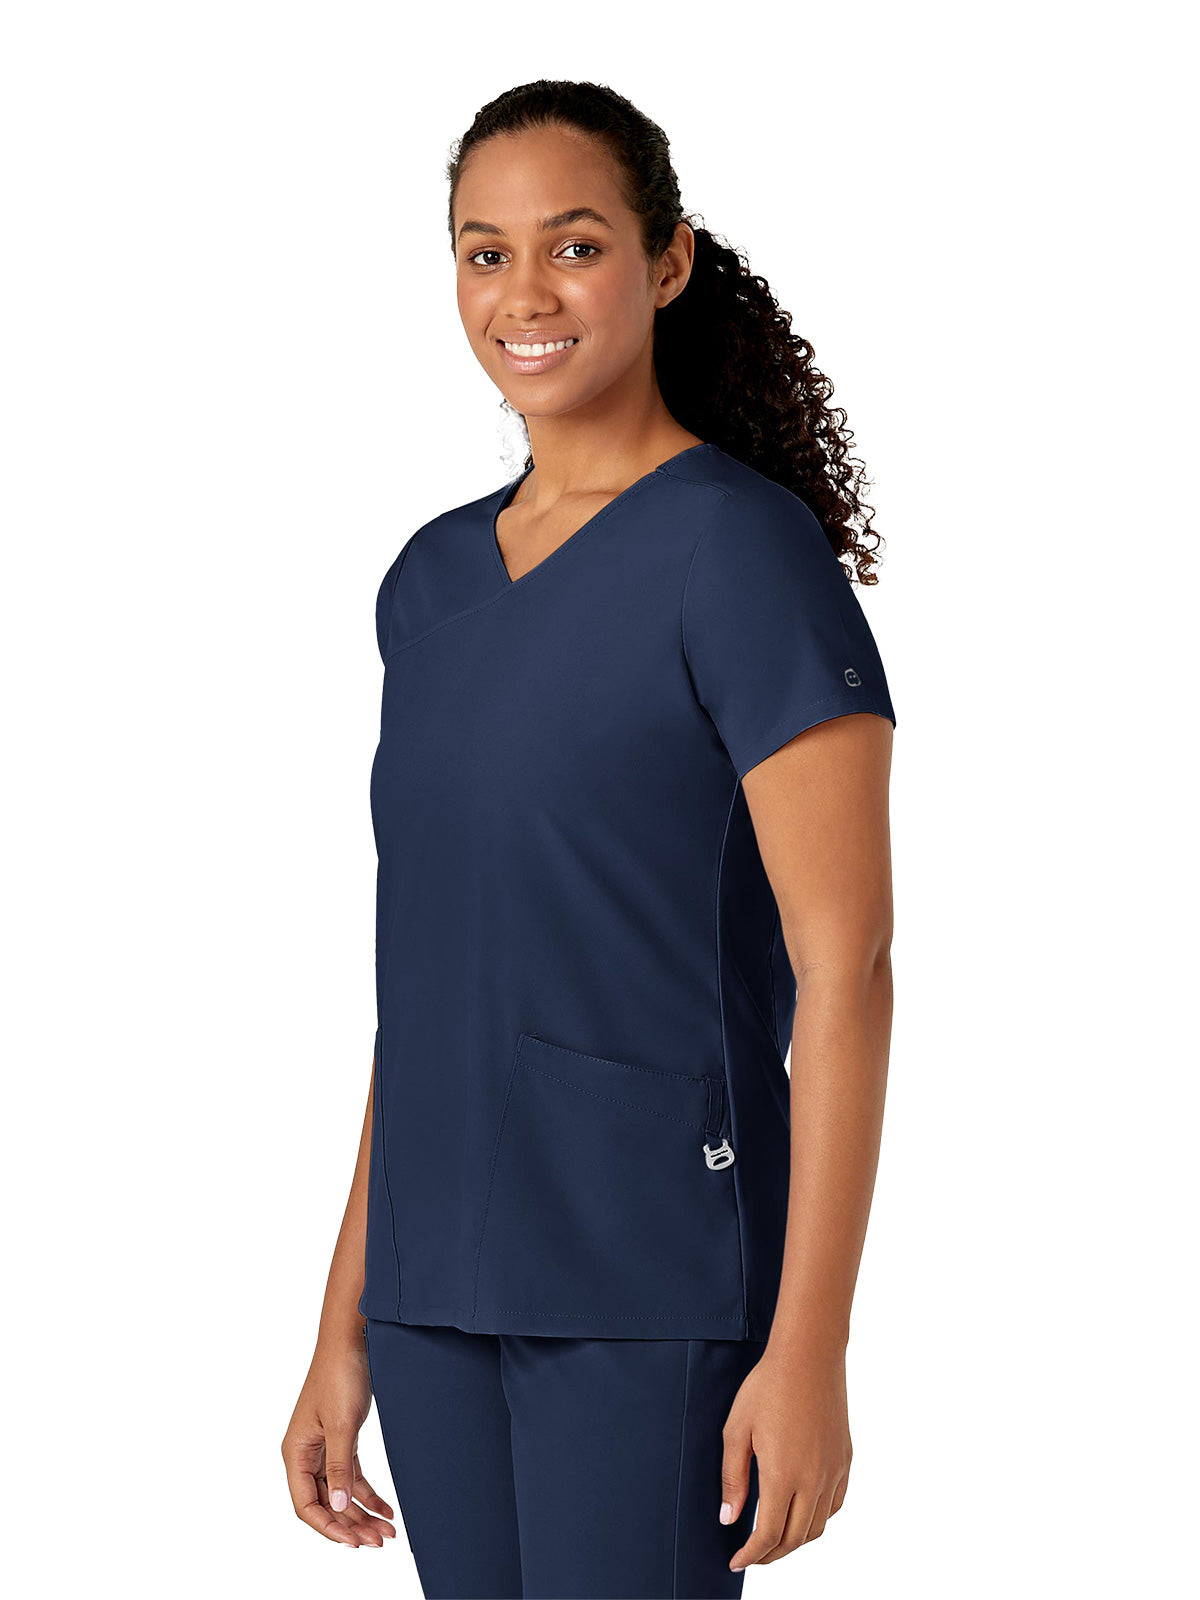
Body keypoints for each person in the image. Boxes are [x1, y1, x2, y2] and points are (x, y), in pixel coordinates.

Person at [282, 78, 896, 1600]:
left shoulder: (741, 552)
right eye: (484, 254)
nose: (525, 295)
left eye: (574, 246)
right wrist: (342, 1324)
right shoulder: (429, 583)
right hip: (432, 1287)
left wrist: (810, 1344)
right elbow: (428, 987)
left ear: (666, 262)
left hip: (647, 1272)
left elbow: (849, 971)